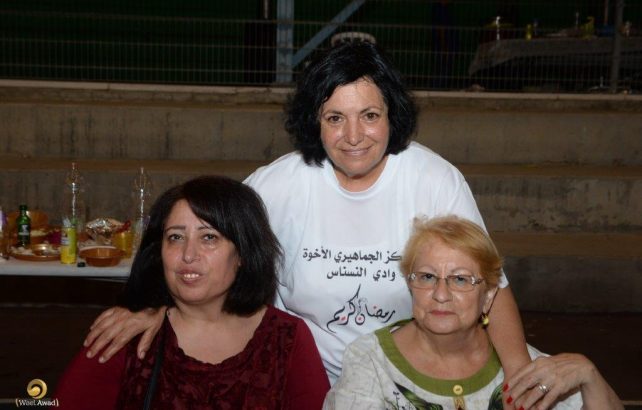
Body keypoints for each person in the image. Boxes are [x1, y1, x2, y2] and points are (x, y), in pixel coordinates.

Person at [83, 41, 530, 393]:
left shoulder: (433, 180)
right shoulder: (278, 184)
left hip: (415, 373)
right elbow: (201, 246)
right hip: (305, 379)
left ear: (392, 116)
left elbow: (491, 284)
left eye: (369, 115)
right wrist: (157, 309)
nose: (353, 136)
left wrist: (519, 380)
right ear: (314, 122)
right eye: (335, 118)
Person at [55, 176, 329, 409]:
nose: (188, 254)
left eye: (209, 237)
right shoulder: (130, 335)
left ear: (243, 253)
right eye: (175, 237)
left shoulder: (285, 340)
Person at [324, 215, 622, 410]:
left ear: (489, 296)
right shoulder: (369, 362)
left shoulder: (523, 367)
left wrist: (589, 375)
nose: (441, 294)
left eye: (460, 280)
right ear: (410, 285)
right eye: (427, 277)